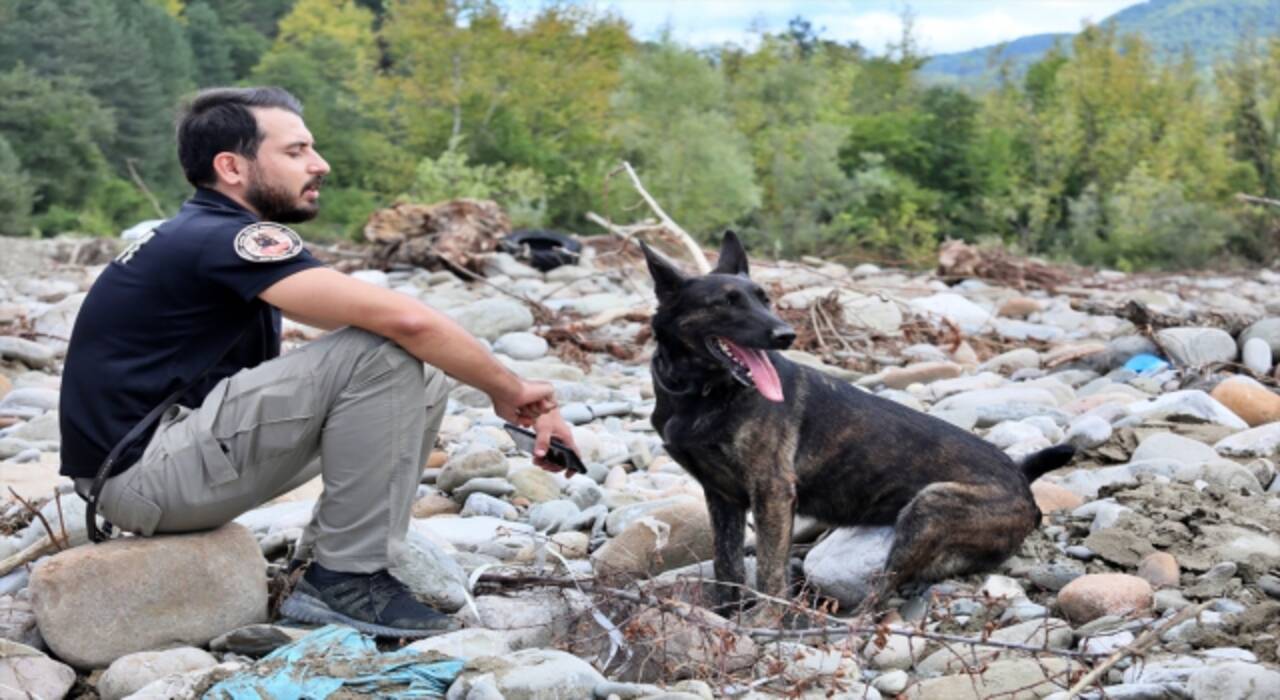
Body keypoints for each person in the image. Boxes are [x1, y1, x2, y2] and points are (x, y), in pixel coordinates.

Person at [58, 86, 577, 638]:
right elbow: (405, 321)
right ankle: (346, 581)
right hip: (144, 476)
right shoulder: (226, 238)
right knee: (383, 350)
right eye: (296, 151)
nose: (319, 164)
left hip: (147, 469)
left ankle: (325, 563)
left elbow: (402, 333)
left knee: (419, 369)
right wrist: (510, 390)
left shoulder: (202, 233)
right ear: (232, 167)